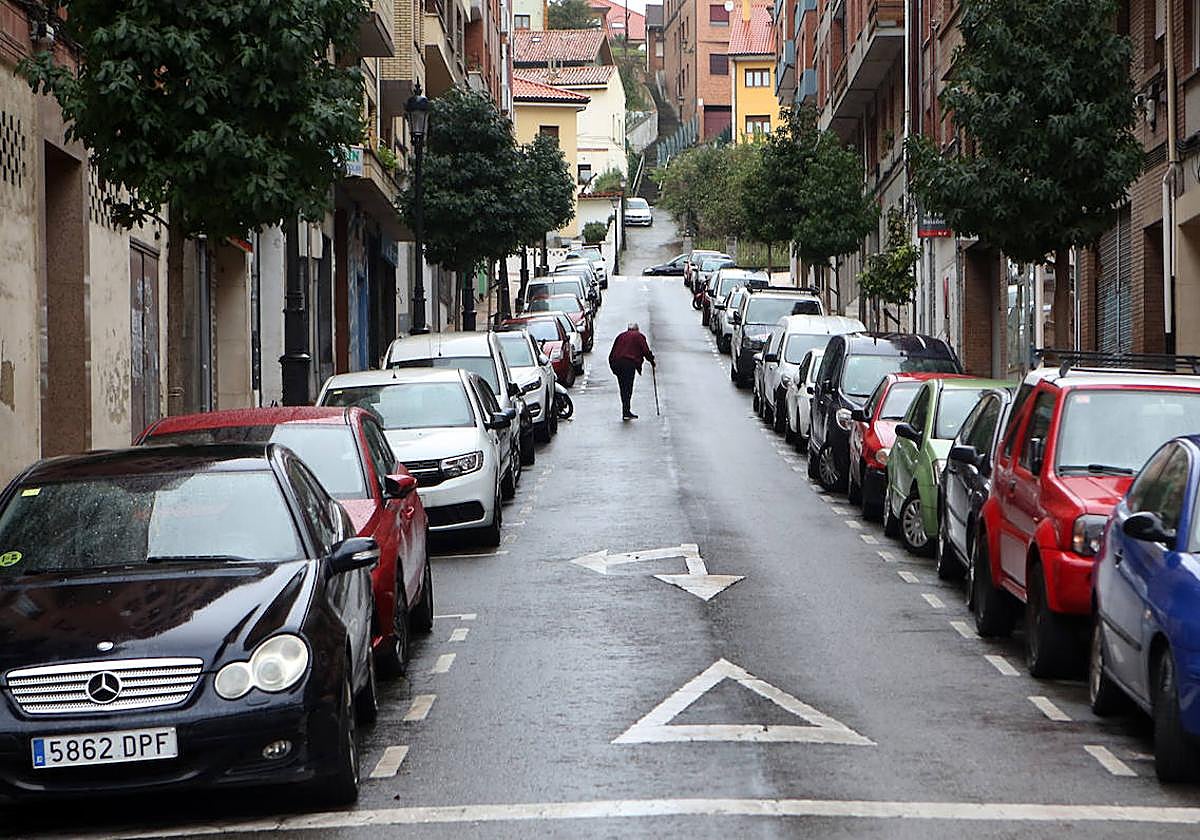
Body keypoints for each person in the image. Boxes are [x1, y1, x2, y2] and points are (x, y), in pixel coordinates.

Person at [608, 322, 655, 420]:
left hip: (616, 363)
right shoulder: (639, 336)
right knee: (628, 387)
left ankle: (625, 410)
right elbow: (645, 350)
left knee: (622, 387)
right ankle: (626, 411)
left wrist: (613, 367)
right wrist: (651, 360)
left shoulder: (620, 336)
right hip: (628, 363)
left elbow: (612, 353)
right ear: (637, 329)